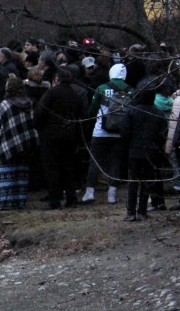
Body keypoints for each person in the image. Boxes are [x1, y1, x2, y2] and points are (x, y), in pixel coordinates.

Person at [34, 69, 85, 209]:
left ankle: (54, 199)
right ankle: (71, 198)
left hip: (51, 134)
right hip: (70, 134)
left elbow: (40, 112)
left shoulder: (51, 93)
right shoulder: (76, 95)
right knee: (67, 167)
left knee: (52, 168)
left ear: (58, 80)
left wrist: (40, 128)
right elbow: (81, 114)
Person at [82, 63, 131, 204]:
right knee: (115, 162)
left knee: (95, 161)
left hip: (100, 131)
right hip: (119, 132)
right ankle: (112, 194)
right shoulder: (130, 90)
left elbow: (92, 109)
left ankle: (90, 192)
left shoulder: (102, 88)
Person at [0, 74, 40, 210]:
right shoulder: (29, 103)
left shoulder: (5, 104)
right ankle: (20, 201)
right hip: (27, 142)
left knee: (8, 174)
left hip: (9, 144)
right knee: (22, 174)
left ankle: (7, 203)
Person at [119, 89, 167, 221]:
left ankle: (130, 212)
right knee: (147, 182)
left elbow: (125, 131)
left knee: (133, 182)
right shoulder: (159, 113)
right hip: (151, 152)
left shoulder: (131, 111)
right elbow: (163, 134)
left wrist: (125, 148)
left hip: (134, 151)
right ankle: (142, 211)